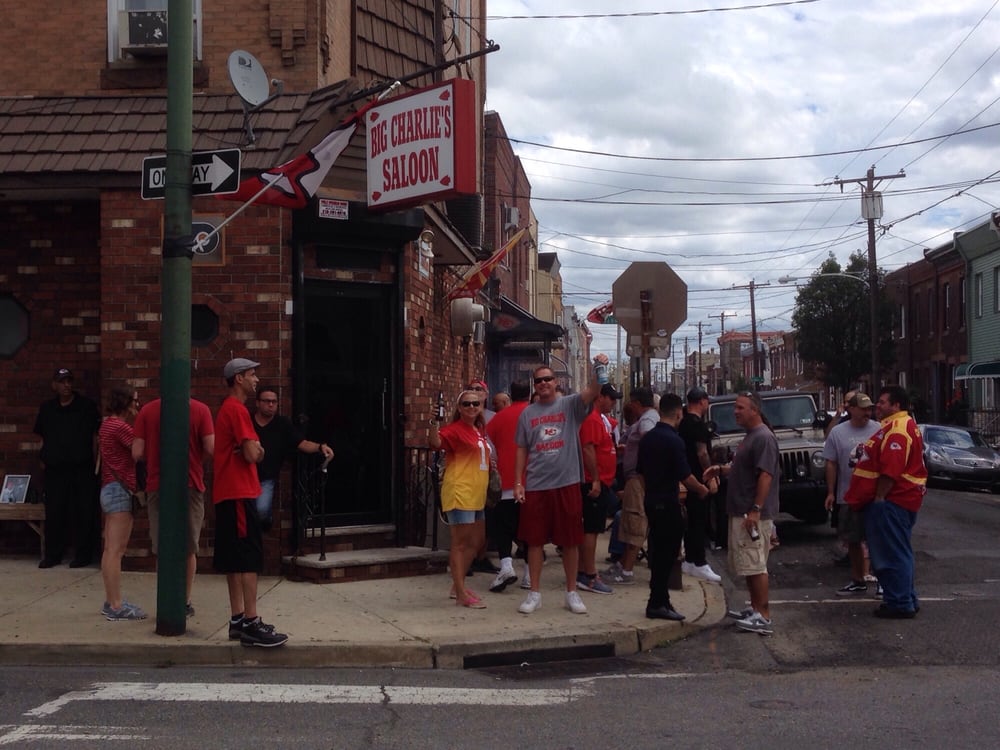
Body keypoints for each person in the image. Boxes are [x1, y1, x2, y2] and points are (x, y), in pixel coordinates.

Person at [513, 354, 608, 615]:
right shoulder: (527, 414)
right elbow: (521, 448)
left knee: (569, 541)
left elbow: (592, 391)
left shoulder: (569, 406)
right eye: (538, 380)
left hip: (566, 483)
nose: (543, 383)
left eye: (547, 379)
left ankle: (571, 592)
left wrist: (599, 367)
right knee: (534, 542)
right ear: (534, 385)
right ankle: (534, 593)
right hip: (536, 485)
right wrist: (518, 482)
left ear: (556, 382)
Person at [213, 358, 287, 648]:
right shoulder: (238, 410)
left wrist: (256, 448)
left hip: (227, 493)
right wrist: (258, 450)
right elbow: (251, 454)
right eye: (252, 375)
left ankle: (237, 619)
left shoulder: (227, 410)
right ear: (239, 378)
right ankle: (252, 623)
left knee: (234, 559)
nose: (256, 379)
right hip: (240, 492)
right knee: (249, 558)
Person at [845, 385, 928, 619]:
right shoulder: (895, 426)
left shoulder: (898, 430)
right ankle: (905, 598)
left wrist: (880, 499)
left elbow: (891, 470)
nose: (877, 406)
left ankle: (900, 603)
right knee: (900, 551)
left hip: (892, 502)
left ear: (896, 405)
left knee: (891, 554)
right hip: (897, 501)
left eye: (882, 402)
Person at [703, 391, 780, 635]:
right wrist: (721, 470)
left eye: (740, 408)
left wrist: (755, 510)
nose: (735, 411)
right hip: (740, 511)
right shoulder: (750, 437)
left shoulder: (764, 438)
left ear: (755, 410)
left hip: (752, 513)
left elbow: (765, 475)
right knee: (747, 564)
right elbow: (743, 469)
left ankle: (763, 616)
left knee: (756, 564)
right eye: (735, 407)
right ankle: (755, 608)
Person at [132, 396, 215, 617]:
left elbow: (137, 452)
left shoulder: (147, 411)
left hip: (157, 484)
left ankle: (166, 599)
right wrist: (196, 460)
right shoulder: (201, 409)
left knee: (163, 547)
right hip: (190, 482)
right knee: (189, 547)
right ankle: (185, 601)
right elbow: (210, 446)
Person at [638, 393, 712, 620]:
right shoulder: (674, 440)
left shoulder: (648, 439)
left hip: (651, 500)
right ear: (679, 413)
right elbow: (686, 475)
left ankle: (661, 600)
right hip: (667, 502)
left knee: (658, 553)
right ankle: (657, 603)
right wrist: (701, 489)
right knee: (667, 555)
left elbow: (640, 473)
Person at [429, 389, 492, 609]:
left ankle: (458, 585)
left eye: (475, 403)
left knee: (477, 542)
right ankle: (460, 594)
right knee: (460, 543)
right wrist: (433, 422)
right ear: (459, 408)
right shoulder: (454, 430)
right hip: (460, 491)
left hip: (477, 493)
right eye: (466, 404)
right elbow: (436, 443)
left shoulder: (478, 430)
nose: (472, 407)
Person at [33, 367, 101, 568]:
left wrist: (96, 464)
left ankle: (83, 555)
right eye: (62, 382)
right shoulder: (47, 409)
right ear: (54, 385)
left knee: (84, 512)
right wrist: (42, 459)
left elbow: (95, 437)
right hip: (55, 470)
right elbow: (41, 437)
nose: (66, 385)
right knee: (55, 512)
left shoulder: (86, 407)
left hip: (82, 469)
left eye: (69, 381)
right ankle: (53, 555)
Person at [252, 387, 333, 532]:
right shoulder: (248, 421)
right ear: (257, 403)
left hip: (267, 476)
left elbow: (302, 443)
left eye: (274, 402)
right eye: (266, 401)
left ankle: (265, 524)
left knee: (262, 511)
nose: (271, 405)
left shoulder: (282, 424)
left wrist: (320, 447)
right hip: (245, 475)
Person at [823, 392, 880, 596]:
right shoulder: (838, 433)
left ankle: (881, 580)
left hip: (874, 495)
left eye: (869, 409)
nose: (867, 412)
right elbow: (831, 462)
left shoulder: (879, 429)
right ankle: (857, 579)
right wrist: (831, 492)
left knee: (877, 539)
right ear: (851, 409)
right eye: (863, 408)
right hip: (848, 495)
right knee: (853, 540)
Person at [97, 386, 146, 621]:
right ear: (125, 403)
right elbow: (140, 451)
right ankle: (116, 606)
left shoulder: (106, 424)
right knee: (116, 551)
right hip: (119, 490)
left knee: (110, 550)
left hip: (109, 488)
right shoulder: (120, 426)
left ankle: (112, 600)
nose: (137, 405)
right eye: (135, 402)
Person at [605, 387, 658, 586]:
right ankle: (622, 566)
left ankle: (626, 571)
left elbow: (650, 440)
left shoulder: (646, 420)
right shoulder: (647, 418)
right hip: (635, 478)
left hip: (638, 479)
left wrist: (643, 470)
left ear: (637, 403)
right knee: (628, 521)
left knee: (635, 523)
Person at [484, 380, 531, 592]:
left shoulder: (498, 418)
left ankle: (506, 566)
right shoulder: (535, 415)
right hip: (533, 482)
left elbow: (490, 448)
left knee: (502, 528)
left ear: (510, 396)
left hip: (506, 482)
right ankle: (530, 574)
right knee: (530, 530)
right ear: (529, 394)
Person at [576, 383, 621, 595]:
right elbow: (588, 448)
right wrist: (595, 479)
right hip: (594, 482)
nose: (613, 403)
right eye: (611, 398)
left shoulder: (600, 419)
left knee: (593, 528)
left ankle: (583, 570)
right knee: (591, 529)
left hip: (601, 481)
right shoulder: (592, 418)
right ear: (600, 397)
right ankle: (589, 575)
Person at [677, 387, 722, 583]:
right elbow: (702, 452)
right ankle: (699, 562)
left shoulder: (682, 423)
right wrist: (710, 474)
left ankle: (690, 560)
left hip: (685, 476)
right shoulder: (698, 426)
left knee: (691, 520)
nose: (708, 404)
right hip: (698, 478)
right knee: (700, 519)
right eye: (707, 401)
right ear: (702, 401)